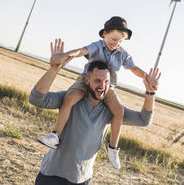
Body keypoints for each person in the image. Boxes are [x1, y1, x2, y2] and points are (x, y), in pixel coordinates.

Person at [29, 39, 160, 184]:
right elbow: (36, 99)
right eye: (98, 81)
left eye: (106, 82)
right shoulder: (70, 99)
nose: (102, 86)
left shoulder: (110, 110)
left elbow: (144, 120)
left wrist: (150, 92)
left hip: (83, 180)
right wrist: (54, 68)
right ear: (86, 80)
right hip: (51, 177)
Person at [37, 16, 149, 169]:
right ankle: (55, 135)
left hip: (108, 87)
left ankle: (112, 148)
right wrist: (64, 56)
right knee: (69, 98)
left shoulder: (122, 53)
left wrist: (146, 77)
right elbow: (80, 51)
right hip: (86, 81)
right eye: (113, 39)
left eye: (120, 41)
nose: (116, 43)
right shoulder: (96, 46)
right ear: (104, 34)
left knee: (119, 111)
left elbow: (133, 68)